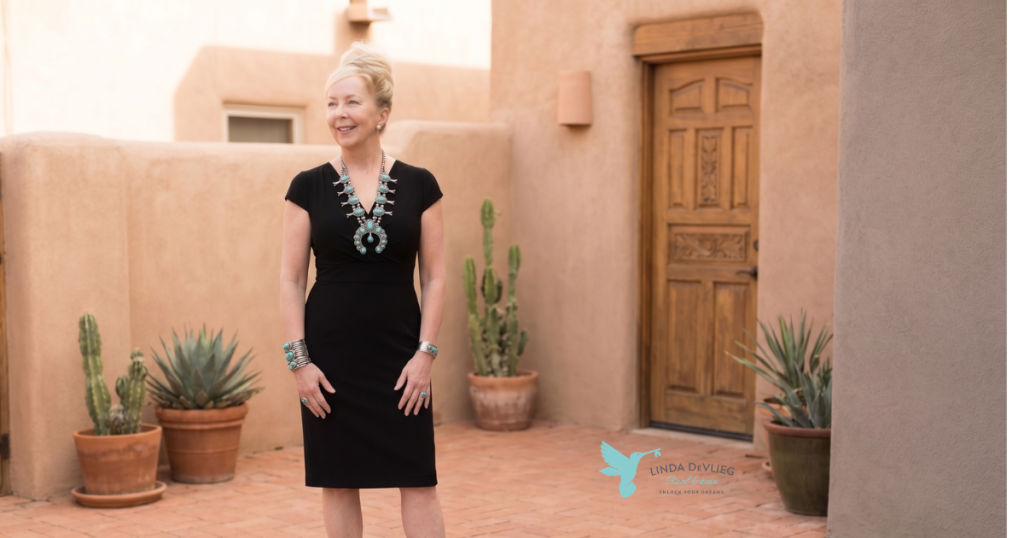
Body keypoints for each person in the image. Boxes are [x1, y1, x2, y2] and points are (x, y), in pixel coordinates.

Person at [279, 41, 446, 537]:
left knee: (418, 479)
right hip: (330, 361)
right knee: (339, 481)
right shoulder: (306, 186)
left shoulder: (421, 185)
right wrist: (299, 361)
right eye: (331, 103)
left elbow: (434, 276)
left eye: (351, 102)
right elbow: (289, 279)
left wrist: (426, 355)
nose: (339, 114)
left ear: (382, 114)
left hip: (402, 358)